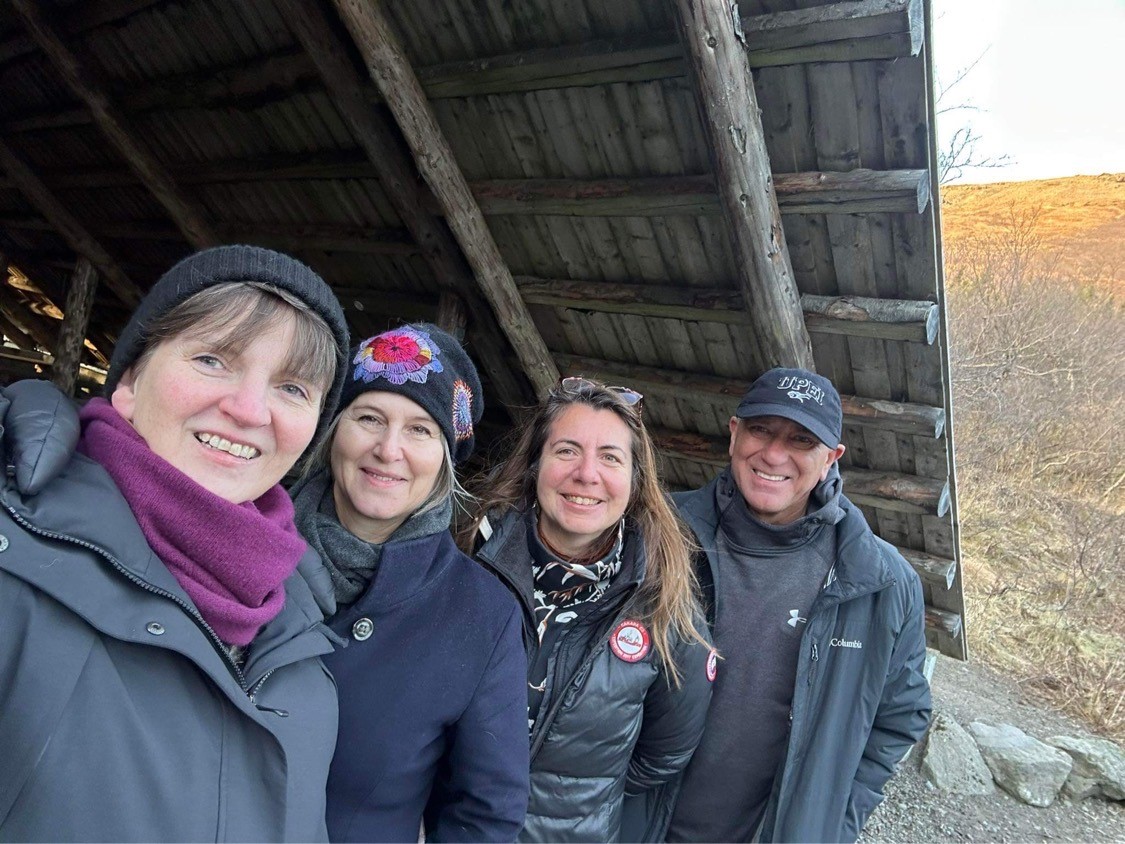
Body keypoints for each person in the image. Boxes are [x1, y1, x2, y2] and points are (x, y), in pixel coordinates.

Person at [0, 245, 351, 841]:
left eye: (293, 389)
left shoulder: (303, 646)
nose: (248, 409)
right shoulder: (15, 563)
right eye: (213, 358)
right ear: (130, 383)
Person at [660, 367, 932, 843]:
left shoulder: (881, 583)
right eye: (761, 429)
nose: (774, 454)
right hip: (635, 826)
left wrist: (834, 822)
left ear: (831, 458)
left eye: (802, 440)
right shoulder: (662, 533)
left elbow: (900, 717)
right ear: (733, 434)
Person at [289, 323, 529, 842]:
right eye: (369, 417)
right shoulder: (248, 543)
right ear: (332, 430)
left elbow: (485, 814)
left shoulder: (481, 614)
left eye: (420, 429)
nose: (388, 449)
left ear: (445, 457)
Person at [459, 376, 716, 843]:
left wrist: (575, 800)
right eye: (567, 451)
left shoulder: (665, 606)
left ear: (636, 481)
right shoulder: (468, 558)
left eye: (610, 457)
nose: (586, 474)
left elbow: (665, 751)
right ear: (536, 464)